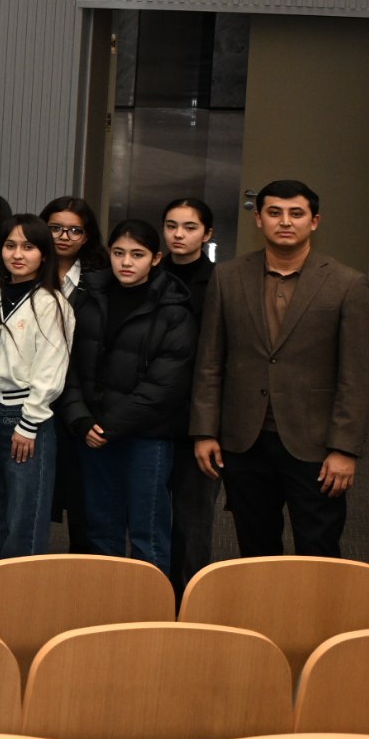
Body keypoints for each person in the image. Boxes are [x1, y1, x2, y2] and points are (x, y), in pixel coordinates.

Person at [190, 180, 369, 558]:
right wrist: (205, 431)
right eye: (275, 212)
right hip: (244, 439)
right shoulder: (228, 277)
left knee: (318, 549)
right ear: (259, 219)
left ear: (315, 221)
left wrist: (345, 449)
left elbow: (357, 377)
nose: (285, 222)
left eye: (296, 213)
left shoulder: (347, 283)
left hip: (315, 443)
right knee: (255, 549)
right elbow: (210, 361)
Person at [59, 219, 197, 575]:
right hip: (92, 433)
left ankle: (151, 608)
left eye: (137, 254)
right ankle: (107, 604)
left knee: (147, 532)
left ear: (156, 258)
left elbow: (165, 386)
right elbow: (65, 365)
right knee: (101, 530)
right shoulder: (88, 298)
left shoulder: (174, 309)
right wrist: (81, 419)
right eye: (119, 253)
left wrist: (109, 426)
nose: (126, 262)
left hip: (146, 437)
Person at [0, 215, 76, 562]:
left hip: (25, 416)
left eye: (28, 247)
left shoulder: (52, 303)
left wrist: (28, 425)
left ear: (43, 254)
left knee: (25, 515)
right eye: (10, 245)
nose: (17, 254)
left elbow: (51, 369)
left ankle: (20, 591)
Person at [157, 196, 219, 586]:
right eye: (171, 226)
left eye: (190, 227)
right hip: (152, 411)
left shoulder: (221, 282)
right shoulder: (150, 273)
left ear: (207, 234)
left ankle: (189, 599)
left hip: (198, 414)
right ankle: (153, 593)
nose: (178, 235)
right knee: (150, 513)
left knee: (193, 516)